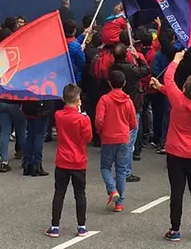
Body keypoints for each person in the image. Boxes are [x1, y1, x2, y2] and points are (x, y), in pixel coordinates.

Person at [150, 50, 191, 242]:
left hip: (176, 152)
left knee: (177, 191)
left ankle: (175, 229)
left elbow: (169, 79)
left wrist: (176, 60)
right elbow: (171, 90)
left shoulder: (179, 101)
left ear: (183, 87)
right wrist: (161, 88)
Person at [46, 84, 92, 239]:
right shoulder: (83, 119)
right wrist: (83, 116)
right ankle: (81, 226)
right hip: (78, 160)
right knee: (80, 194)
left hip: (62, 160)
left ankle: (55, 226)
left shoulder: (59, 115)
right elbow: (88, 138)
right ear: (78, 100)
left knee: (59, 193)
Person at [95, 70, 137, 212]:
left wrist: (101, 131)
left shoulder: (104, 100)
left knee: (105, 167)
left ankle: (112, 190)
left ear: (109, 83)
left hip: (108, 137)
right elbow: (133, 123)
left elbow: (99, 119)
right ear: (124, 83)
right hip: (123, 138)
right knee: (121, 170)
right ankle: (119, 203)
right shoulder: (128, 101)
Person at [109, 43, 149, 183]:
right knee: (129, 140)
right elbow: (146, 70)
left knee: (121, 140)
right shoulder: (131, 69)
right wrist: (138, 58)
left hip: (117, 106)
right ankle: (125, 172)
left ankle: (120, 169)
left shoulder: (112, 68)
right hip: (132, 104)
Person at [64, 19, 86, 84]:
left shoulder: (61, 42)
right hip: (75, 78)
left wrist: (83, 35)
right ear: (74, 30)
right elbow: (82, 63)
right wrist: (81, 50)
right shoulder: (76, 47)